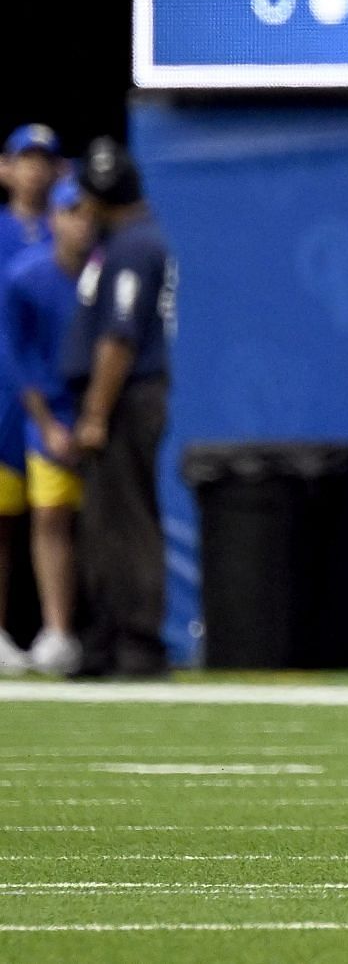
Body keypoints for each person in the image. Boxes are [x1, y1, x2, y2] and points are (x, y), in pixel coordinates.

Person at [64, 140, 175, 679]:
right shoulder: (121, 242)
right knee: (104, 522)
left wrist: (95, 413)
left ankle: (138, 641)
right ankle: (105, 638)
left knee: (126, 520)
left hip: (126, 397)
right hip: (124, 395)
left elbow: (119, 338)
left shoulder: (133, 247)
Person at [0, 177, 90, 675]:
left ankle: (68, 631)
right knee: (25, 516)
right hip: (26, 406)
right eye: (70, 211)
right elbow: (16, 351)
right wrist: (45, 420)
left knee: (86, 521)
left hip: (85, 413)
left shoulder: (106, 274)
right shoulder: (22, 275)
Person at [0, 124, 57, 674]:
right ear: (5, 168)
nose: (34, 170)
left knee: (52, 512)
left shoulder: (73, 231)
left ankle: (58, 633)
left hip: (52, 395)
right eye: (25, 159)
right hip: (2, 393)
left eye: (45, 160)